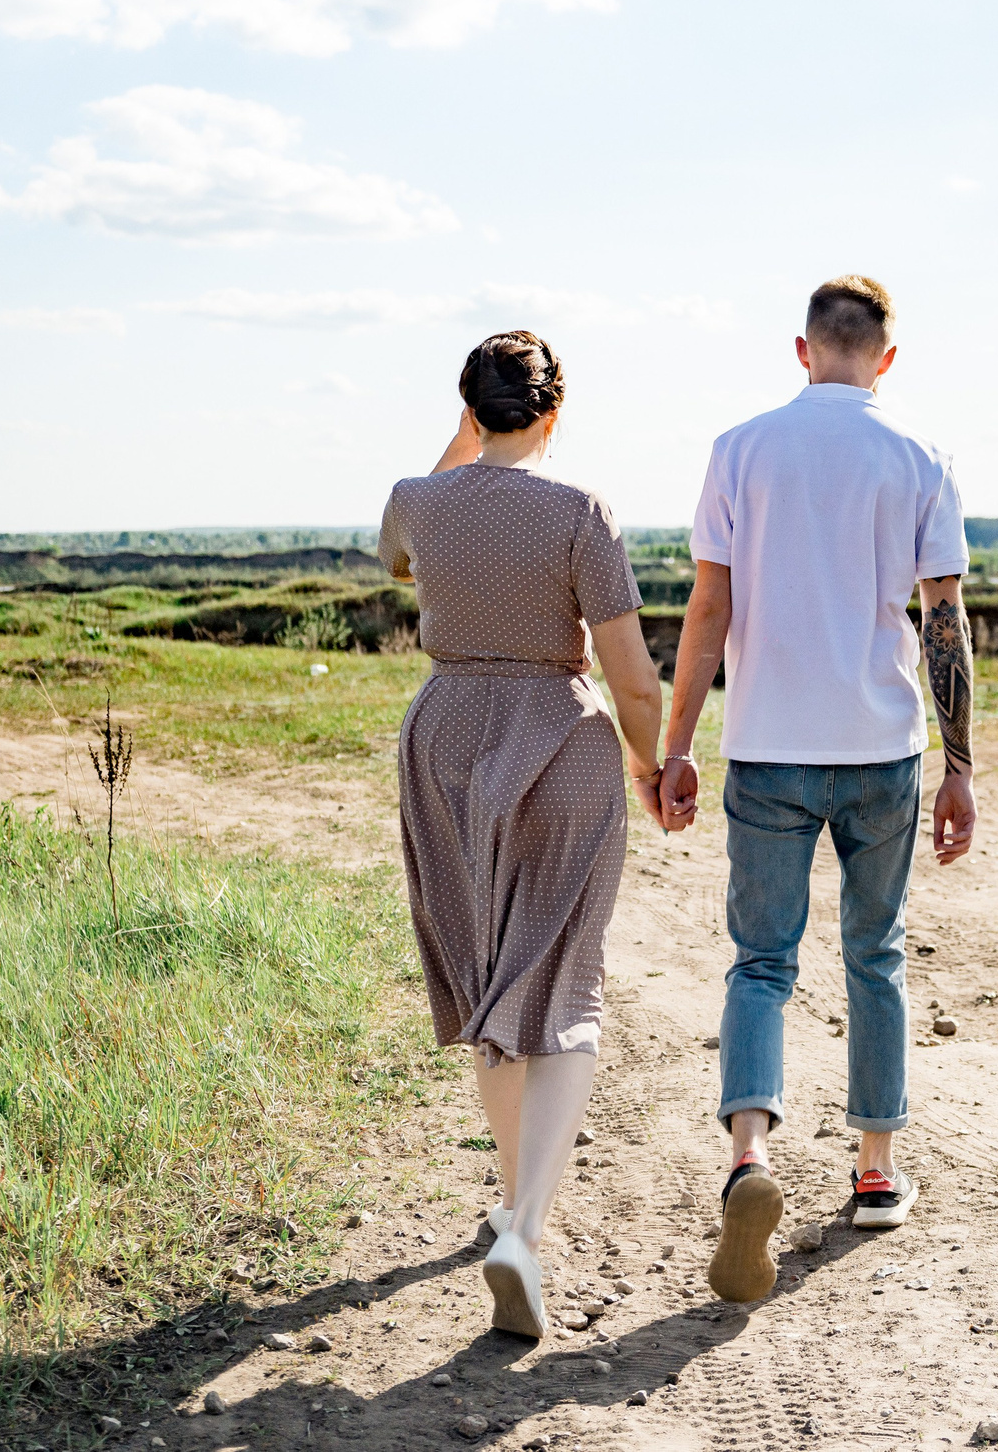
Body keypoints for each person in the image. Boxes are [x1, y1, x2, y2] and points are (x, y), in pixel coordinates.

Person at [656, 275, 977, 1303]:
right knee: (873, 955)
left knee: (760, 961)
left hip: (766, 746)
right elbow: (945, 626)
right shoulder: (920, 456)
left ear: (802, 351)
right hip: (881, 748)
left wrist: (676, 745)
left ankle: (749, 1154)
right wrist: (960, 761)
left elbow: (708, 610)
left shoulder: (739, 450)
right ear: (885, 358)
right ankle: (876, 1171)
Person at [379, 330, 669, 1339]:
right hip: (557, 738)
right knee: (566, 982)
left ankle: (509, 1205)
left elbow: (395, 549)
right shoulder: (579, 510)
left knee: (492, 970)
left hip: (446, 736)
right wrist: (652, 759)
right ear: (556, 411)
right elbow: (629, 671)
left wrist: (462, 437)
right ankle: (524, 1228)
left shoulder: (417, 500)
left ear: (468, 406)